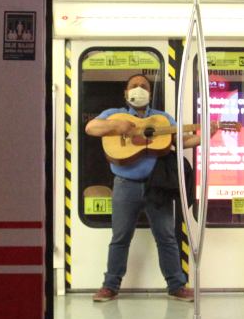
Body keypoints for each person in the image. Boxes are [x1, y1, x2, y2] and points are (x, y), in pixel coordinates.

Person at [83, 74, 209, 303]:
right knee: (120, 237)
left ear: (150, 93)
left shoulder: (161, 119)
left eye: (144, 86)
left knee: (166, 236)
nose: (139, 89)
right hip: (125, 185)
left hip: (156, 185)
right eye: (134, 86)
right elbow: (91, 128)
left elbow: (181, 141)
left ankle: (176, 285)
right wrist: (116, 125)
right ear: (125, 92)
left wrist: (207, 135)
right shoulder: (114, 114)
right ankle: (110, 286)